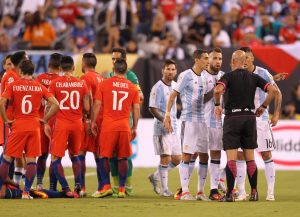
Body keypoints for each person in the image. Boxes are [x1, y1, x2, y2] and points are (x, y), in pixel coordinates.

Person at [213, 50, 277, 202]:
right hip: (249, 118)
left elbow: (218, 90)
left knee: (232, 159)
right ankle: (254, 192)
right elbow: (273, 90)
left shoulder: (227, 76)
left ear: (233, 62)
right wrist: (263, 106)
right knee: (250, 158)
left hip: (232, 118)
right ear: (244, 62)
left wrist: (217, 104)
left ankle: (229, 195)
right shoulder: (254, 76)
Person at [0, 59, 59, 199]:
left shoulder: (14, 85)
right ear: (33, 72)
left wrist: (6, 119)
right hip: (34, 126)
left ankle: (1, 186)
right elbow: (56, 104)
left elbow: (2, 102)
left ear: (20, 71)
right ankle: (26, 192)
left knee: (7, 158)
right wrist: (44, 120)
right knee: (32, 160)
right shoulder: (40, 87)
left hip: (19, 124)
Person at [234, 47, 282, 201]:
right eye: (243, 59)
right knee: (240, 155)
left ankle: (270, 193)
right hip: (243, 119)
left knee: (266, 154)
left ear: (252, 58)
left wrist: (276, 113)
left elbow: (276, 92)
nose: (245, 61)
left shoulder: (263, 72)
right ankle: (242, 192)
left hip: (261, 121)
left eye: (247, 58)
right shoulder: (238, 74)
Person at [163, 49, 209, 200]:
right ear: (196, 60)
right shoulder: (186, 75)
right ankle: (185, 191)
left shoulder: (204, 76)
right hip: (189, 120)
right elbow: (173, 95)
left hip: (202, 120)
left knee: (204, 156)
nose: (207, 61)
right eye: (205, 58)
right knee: (187, 155)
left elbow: (203, 98)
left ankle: (200, 192)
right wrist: (168, 114)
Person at [91, 59, 140, 198]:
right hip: (124, 125)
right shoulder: (132, 87)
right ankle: (122, 189)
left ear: (114, 69)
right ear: (126, 71)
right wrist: (134, 127)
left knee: (104, 156)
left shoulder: (104, 84)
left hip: (108, 125)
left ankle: (106, 186)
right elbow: (136, 108)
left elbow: (97, 104)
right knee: (123, 157)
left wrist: (93, 122)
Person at [49, 56, 90, 198]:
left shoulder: (54, 83)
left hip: (62, 123)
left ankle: (66, 188)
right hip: (77, 123)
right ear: (73, 68)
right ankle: (78, 185)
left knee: (55, 158)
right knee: (75, 155)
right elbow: (86, 107)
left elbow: (52, 105)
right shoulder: (81, 84)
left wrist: (45, 120)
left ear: (60, 69)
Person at [108, 47, 144, 196]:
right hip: (112, 119)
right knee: (112, 154)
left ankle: (127, 186)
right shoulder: (110, 75)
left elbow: (140, 96)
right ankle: (116, 187)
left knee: (124, 154)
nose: (114, 61)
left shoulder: (131, 76)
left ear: (124, 60)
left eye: (117, 59)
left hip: (125, 119)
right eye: (113, 58)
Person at [148, 59, 181, 197]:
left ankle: (156, 176)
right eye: (168, 69)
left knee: (178, 159)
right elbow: (152, 108)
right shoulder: (157, 87)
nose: (170, 72)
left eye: (173, 69)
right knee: (165, 158)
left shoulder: (175, 86)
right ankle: (165, 189)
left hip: (174, 127)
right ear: (163, 70)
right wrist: (164, 120)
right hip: (161, 128)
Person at [77, 53, 104, 197]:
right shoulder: (101, 78)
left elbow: (87, 99)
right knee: (98, 154)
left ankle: (82, 188)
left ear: (84, 63)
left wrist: (88, 120)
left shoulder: (84, 78)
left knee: (81, 152)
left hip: (89, 120)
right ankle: (102, 187)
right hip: (102, 120)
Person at [35, 53, 62, 191]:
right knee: (55, 155)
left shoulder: (39, 79)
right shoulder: (60, 80)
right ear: (60, 67)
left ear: (48, 65)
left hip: (40, 121)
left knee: (42, 154)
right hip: (56, 121)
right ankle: (52, 187)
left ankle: (39, 183)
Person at [1, 51, 28, 185]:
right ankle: (4, 181)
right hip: (10, 119)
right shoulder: (11, 76)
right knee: (9, 150)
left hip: (18, 119)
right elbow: (7, 99)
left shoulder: (17, 75)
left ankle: (15, 182)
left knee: (17, 152)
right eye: (26, 58)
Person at [202, 47, 225, 200]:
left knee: (216, 153)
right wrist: (215, 89)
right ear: (208, 59)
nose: (218, 61)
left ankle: (213, 189)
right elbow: (199, 100)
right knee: (199, 155)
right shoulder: (201, 76)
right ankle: (191, 189)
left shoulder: (224, 76)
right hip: (201, 121)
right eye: (215, 58)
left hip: (217, 121)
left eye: (220, 59)